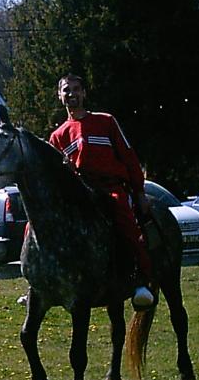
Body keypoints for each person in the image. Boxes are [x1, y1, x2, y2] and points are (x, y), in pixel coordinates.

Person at [49, 73, 154, 308]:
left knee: (125, 220)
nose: (72, 94)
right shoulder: (57, 137)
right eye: (67, 90)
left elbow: (128, 156)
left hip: (111, 188)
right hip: (80, 195)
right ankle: (43, 283)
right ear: (59, 96)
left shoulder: (106, 121)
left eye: (76, 89)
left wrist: (139, 191)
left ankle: (140, 280)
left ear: (84, 93)